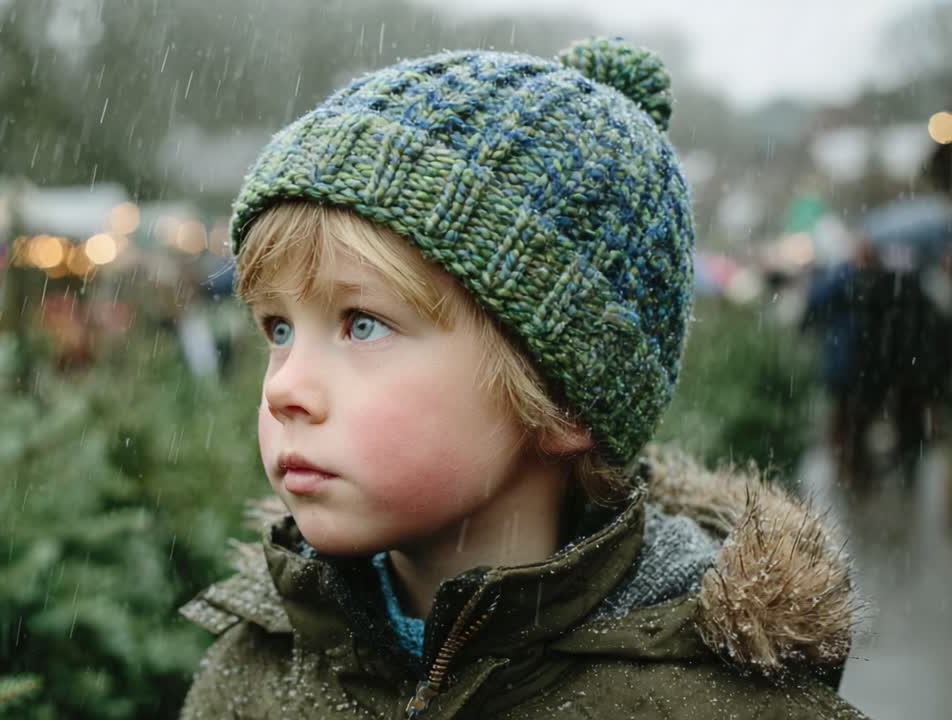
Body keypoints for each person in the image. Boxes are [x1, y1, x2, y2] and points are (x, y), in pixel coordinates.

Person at [178, 39, 866, 718]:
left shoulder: (725, 708)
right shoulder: (250, 675)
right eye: (278, 329)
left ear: (562, 396)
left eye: (362, 324)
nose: (283, 388)